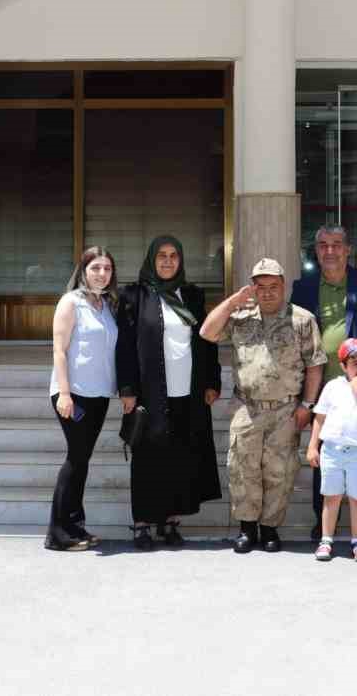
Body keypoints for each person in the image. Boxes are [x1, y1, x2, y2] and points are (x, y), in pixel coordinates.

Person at [200, 257, 325, 554]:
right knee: (243, 470)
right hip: (247, 407)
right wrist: (233, 301)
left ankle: (269, 528)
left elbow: (315, 365)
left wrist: (307, 404)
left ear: (283, 286)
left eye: (273, 286)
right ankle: (247, 529)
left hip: (285, 409)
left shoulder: (302, 319)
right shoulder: (240, 316)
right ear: (252, 288)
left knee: (279, 472)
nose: (267, 292)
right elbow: (206, 332)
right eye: (261, 286)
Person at [290, 225, 357, 546]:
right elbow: (294, 338)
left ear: (348, 249)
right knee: (323, 457)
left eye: (336, 244)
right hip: (322, 389)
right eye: (323, 245)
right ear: (316, 251)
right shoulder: (303, 288)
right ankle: (323, 523)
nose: (330, 251)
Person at [115, 235, 221, 550]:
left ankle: (170, 522)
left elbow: (207, 340)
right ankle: (142, 525)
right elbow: (125, 346)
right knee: (147, 460)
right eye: (161, 255)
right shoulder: (135, 296)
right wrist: (127, 389)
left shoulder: (191, 295)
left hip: (187, 392)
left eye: (174, 255)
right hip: (149, 393)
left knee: (179, 458)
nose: (167, 261)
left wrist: (212, 381)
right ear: (152, 258)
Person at [45, 246, 118, 551]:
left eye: (107, 269)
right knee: (76, 459)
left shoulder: (106, 304)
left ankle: (75, 526)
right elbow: (59, 350)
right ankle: (58, 534)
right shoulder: (71, 302)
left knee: (82, 460)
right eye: (95, 268)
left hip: (99, 394)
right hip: (73, 395)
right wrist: (64, 393)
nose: (102, 274)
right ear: (84, 271)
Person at [307, 338, 357, 562]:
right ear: (343, 366)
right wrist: (313, 446)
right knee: (331, 497)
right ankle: (326, 540)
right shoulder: (332, 387)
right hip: (332, 450)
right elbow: (320, 417)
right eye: (355, 363)